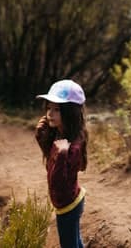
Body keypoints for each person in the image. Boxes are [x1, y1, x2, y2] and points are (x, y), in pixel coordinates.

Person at [35, 79, 88, 248]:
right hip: (66, 200)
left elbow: (58, 179)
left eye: (57, 109)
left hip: (68, 206)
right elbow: (50, 160)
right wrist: (41, 137)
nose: (50, 113)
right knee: (74, 241)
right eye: (49, 108)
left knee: (69, 244)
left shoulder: (73, 146)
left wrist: (62, 154)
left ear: (70, 112)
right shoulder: (60, 134)